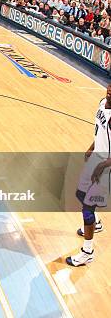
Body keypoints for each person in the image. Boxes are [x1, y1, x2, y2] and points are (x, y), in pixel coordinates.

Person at [66, 84, 110, 267]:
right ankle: (96, 224)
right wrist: (92, 147)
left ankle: (87, 252)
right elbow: (100, 129)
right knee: (80, 194)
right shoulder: (103, 103)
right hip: (97, 160)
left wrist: (102, 166)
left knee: (87, 209)